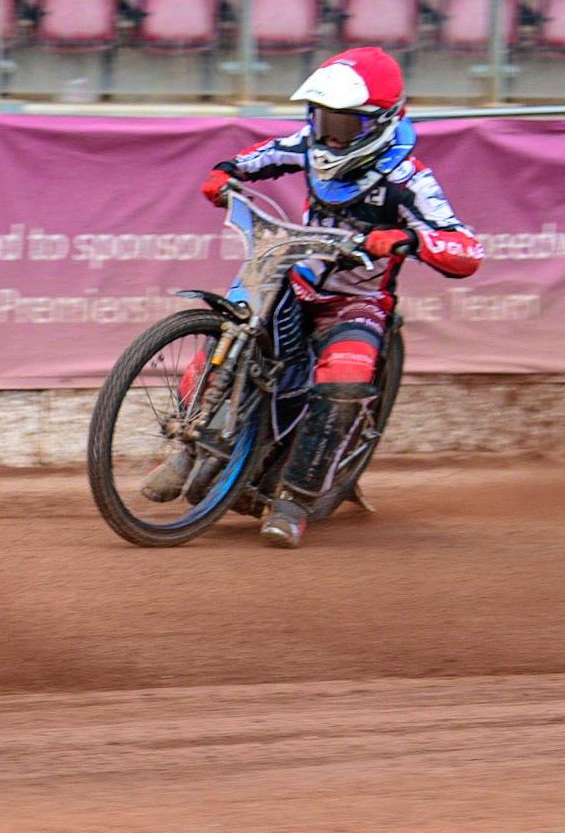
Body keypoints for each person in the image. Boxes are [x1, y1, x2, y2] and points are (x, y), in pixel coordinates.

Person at [158, 46, 483, 548]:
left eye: (344, 124)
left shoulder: (408, 179)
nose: (328, 133)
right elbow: (261, 156)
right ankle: (184, 448)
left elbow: (465, 248)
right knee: (235, 321)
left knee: (346, 377)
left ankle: (294, 499)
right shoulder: (310, 144)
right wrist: (226, 173)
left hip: (356, 304)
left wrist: (408, 240)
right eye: (321, 117)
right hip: (296, 277)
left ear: (377, 124)